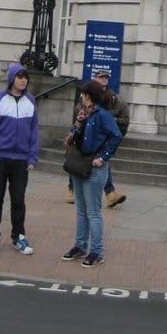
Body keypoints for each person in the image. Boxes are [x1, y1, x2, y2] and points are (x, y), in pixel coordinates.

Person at [61, 80, 122, 267]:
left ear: (90, 96)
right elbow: (75, 135)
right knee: (80, 208)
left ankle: (97, 251)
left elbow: (116, 136)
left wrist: (102, 157)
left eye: (84, 95)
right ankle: (80, 245)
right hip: (79, 164)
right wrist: (76, 127)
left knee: (93, 211)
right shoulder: (84, 114)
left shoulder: (103, 115)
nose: (82, 98)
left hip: (94, 166)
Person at [0, 63, 39, 255]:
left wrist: (32, 156)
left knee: (18, 199)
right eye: (19, 77)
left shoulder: (30, 101)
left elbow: (33, 131)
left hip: (21, 160)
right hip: (1, 158)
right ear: (12, 79)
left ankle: (18, 236)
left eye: (25, 78)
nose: (23, 81)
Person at [94, 69, 130, 207]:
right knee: (80, 160)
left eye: (106, 77)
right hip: (89, 135)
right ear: (95, 79)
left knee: (102, 160)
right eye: (101, 77)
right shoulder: (87, 96)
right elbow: (79, 112)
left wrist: (112, 121)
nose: (104, 80)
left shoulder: (115, 99)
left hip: (104, 136)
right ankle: (72, 188)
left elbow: (124, 120)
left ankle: (110, 194)